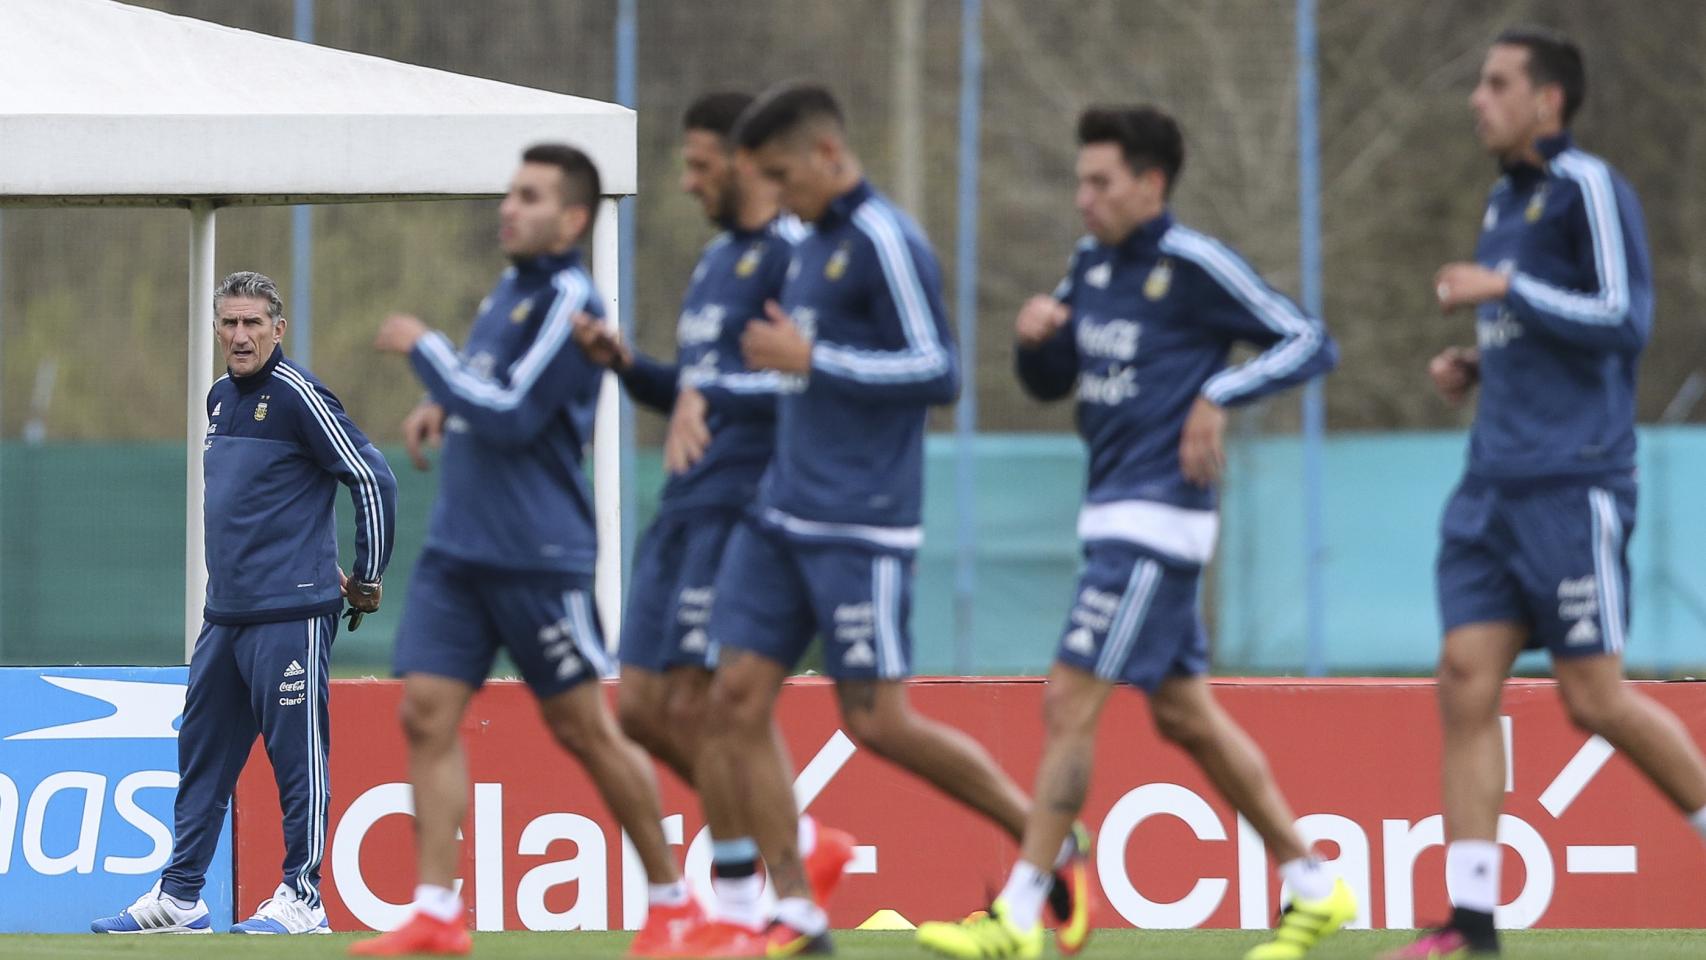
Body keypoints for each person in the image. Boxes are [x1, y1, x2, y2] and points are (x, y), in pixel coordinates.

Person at [917, 105, 1352, 960]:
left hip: (1160, 520)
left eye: (1100, 182)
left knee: (1068, 697)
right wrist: (1038, 342)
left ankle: (1023, 912)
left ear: (1151, 184)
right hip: (1112, 511)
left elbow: (1309, 338)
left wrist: (1217, 395)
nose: (1083, 199)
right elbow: (1053, 383)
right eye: (1081, 180)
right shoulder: (1091, 265)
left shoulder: (1193, 266)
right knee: (1186, 716)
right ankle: (1313, 884)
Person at [693, 83, 1083, 959]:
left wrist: (814, 358)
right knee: (733, 699)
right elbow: (798, 373)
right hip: (781, 514)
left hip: (860, 525)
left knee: (878, 722)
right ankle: (791, 910)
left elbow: (938, 370)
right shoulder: (809, 247)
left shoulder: (884, 238)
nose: (781, 197)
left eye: (786, 175)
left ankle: (1045, 835)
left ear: (829, 155)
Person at [1389, 27, 1706, 959]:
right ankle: (1474, 925)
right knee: (1462, 678)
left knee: (1594, 698)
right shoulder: (1502, 202)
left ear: (1548, 102)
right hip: (1491, 486)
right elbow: (1543, 333)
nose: (1477, 99)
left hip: (1573, 486)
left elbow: (1624, 317)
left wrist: (1506, 288)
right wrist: (1477, 364)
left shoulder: (1590, 190)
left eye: (1496, 84)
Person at [348, 144, 697, 958]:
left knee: (584, 729)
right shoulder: (509, 289)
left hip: (537, 555)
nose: (510, 207)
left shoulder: (572, 300)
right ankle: (436, 913)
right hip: (459, 551)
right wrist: (443, 404)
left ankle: (675, 901)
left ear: (572, 219)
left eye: (531, 196)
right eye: (511, 192)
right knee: (424, 712)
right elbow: (486, 388)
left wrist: (427, 354)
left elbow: (510, 412)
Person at [570, 91, 854, 951]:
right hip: (685, 501)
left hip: (745, 501)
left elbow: (809, 382)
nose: (688, 183)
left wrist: (712, 390)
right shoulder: (715, 262)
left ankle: (741, 906)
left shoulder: (794, 257)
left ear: (744, 163)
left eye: (700, 166)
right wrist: (633, 368)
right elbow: (695, 388)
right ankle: (795, 845)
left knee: (709, 700)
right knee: (644, 709)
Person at [92, 270, 397, 936]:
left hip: (290, 616)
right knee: (200, 758)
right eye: (228, 323)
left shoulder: (299, 397)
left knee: (297, 762)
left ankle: (303, 897)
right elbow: (263, 504)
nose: (239, 335)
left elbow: (372, 477)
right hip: (224, 616)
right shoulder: (218, 399)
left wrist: (366, 576)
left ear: (277, 329)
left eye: (252, 322)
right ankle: (181, 897)